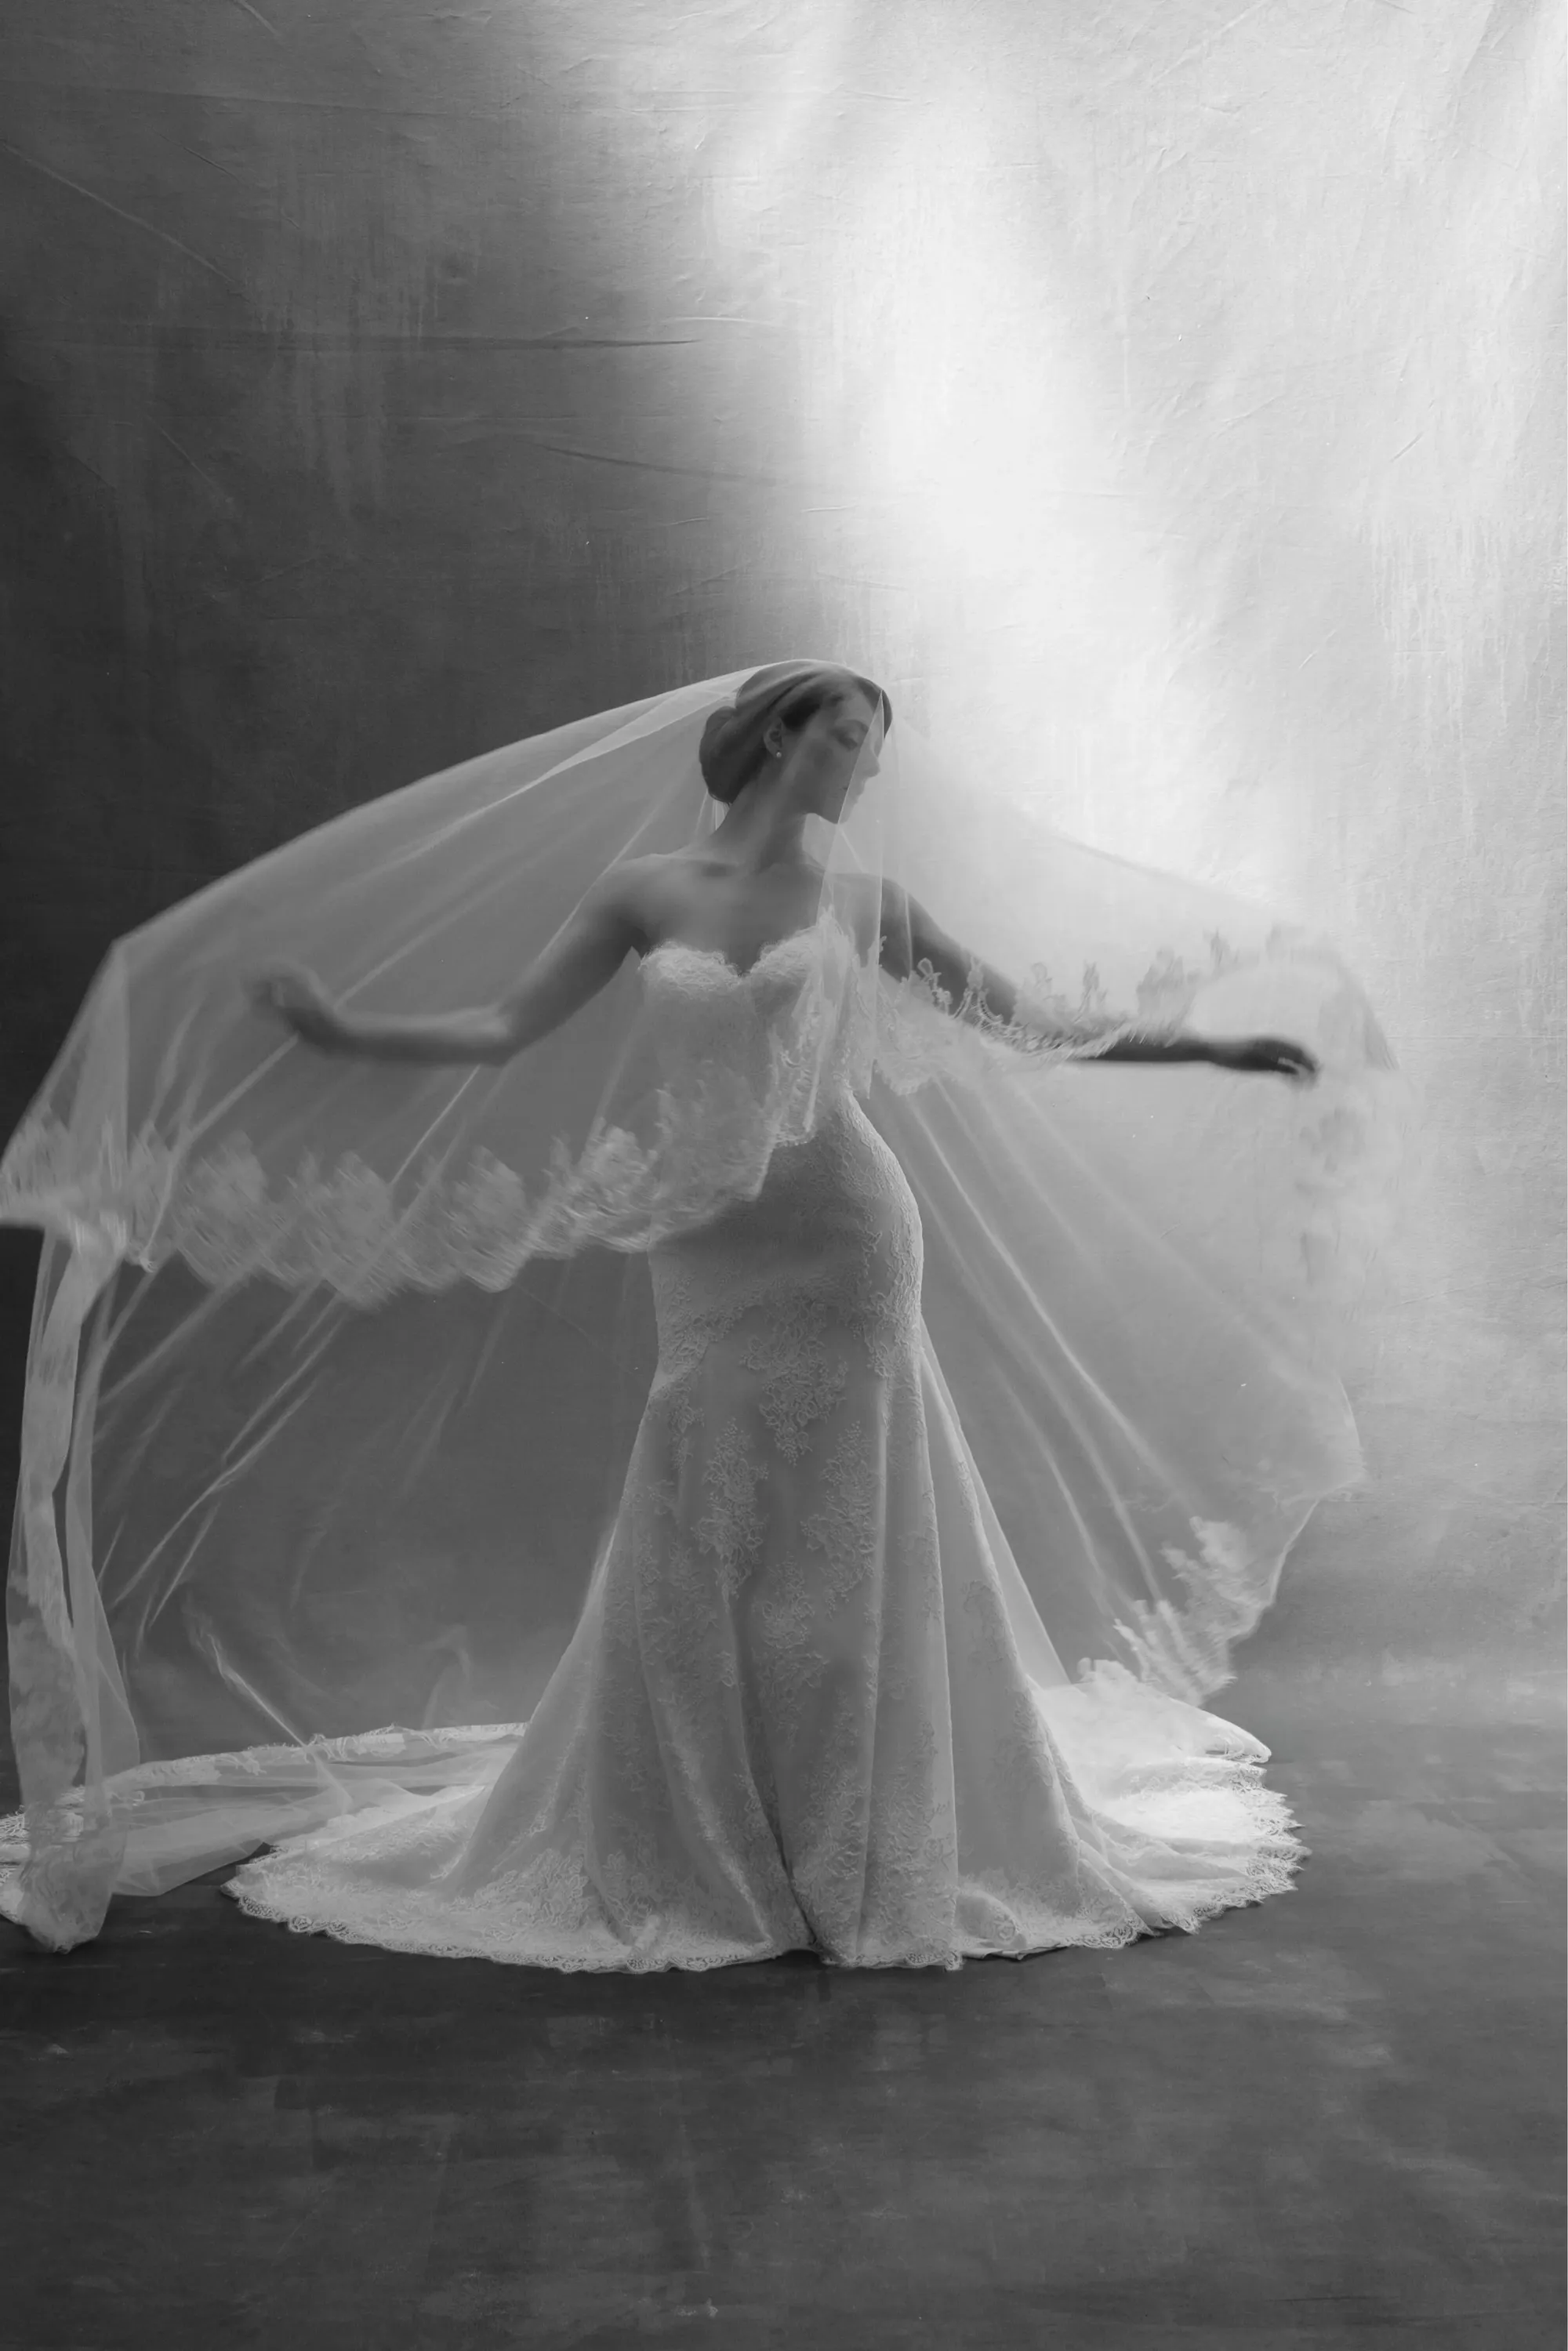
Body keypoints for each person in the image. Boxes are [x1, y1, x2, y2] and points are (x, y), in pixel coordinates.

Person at [214, 662, 1328, 1972]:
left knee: (849, 1514)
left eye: (876, 743)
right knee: (704, 1505)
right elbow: (506, 1023)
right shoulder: (646, 891)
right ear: (779, 732)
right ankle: (701, 1823)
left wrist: (1207, 1046)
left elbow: (1030, 1020)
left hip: (845, 1232)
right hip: (707, 1244)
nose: (870, 762)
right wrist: (341, 1028)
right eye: (850, 733)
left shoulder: (866, 904)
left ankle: (860, 1828)